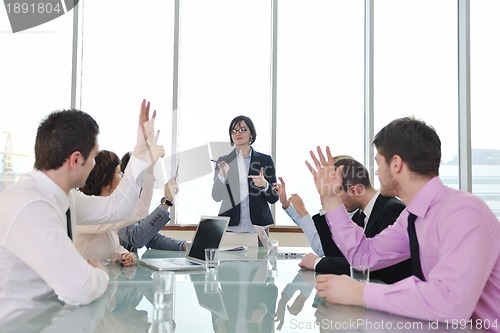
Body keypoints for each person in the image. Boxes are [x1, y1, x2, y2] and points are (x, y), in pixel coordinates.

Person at [308, 117, 500, 328]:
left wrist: (361, 293)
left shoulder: (462, 212)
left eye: (378, 162)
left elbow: (451, 303)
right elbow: (364, 256)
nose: (376, 172)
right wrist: (331, 199)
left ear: (396, 164)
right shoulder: (412, 216)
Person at [0, 99, 164, 323]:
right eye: (94, 156)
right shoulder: (32, 204)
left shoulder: (65, 197)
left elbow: (119, 208)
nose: (95, 164)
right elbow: (81, 287)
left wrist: (140, 152)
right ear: (76, 159)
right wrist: (100, 273)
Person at [298, 158, 412, 284]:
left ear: (354, 190)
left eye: (336, 192)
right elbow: (338, 254)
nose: (337, 202)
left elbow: (373, 267)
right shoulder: (360, 214)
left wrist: (317, 262)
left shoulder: (392, 209)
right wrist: (327, 202)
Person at [211, 115, 278, 233]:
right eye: (234, 130)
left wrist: (265, 185)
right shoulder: (223, 161)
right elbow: (216, 196)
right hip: (231, 226)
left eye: (243, 129)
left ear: (251, 134)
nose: (238, 133)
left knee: (261, 252)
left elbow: (274, 198)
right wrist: (222, 174)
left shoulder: (265, 160)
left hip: (259, 226)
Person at [118, 152, 186, 253]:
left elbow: (150, 238)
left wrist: (183, 245)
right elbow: (137, 238)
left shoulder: (136, 204)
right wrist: (166, 202)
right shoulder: (118, 204)